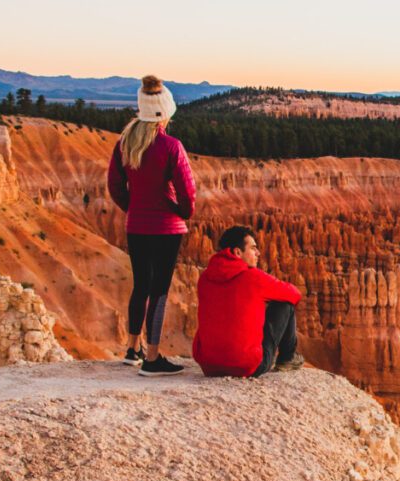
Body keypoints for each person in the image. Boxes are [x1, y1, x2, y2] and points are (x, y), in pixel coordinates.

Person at [107, 74, 196, 376]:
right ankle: (153, 358)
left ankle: (133, 349)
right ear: (165, 112)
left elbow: (115, 186)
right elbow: (187, 190)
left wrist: (133, 207)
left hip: (137, 226)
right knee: (159, 289)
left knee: (141, 285)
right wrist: (182, 211)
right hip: (166, 229)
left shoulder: (124, 144)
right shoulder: (171, 146)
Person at [193, 226, 304, 377]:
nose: (258, 253)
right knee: (284, 304)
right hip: (246, 366)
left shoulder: (205, 278)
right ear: (238, 252)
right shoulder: (253, 277)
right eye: (253, 248)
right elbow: (294, 294)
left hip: (208, 365)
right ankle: (287, 359)